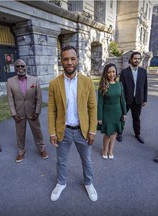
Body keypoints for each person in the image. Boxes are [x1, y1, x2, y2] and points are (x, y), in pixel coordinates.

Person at [48, 45, 98, 202]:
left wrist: (92, 130)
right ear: (61, 61)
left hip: (82, 130)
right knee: (61, 160)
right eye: (66, 59)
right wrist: (52, 132)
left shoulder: (87, 82)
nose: (69, 62)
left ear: (77, 60)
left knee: (87, 160)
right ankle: (61, 183)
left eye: (72, 58)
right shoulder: (54, 83)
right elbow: (51, 110)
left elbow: (92, 108)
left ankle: (88, 183)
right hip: (63, 130)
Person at [7, 59, 49, 163]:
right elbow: (10, 99)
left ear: (26, 67)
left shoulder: (34, 80)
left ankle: (41, 148)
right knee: (20, 133)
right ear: (15, 68)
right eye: (18, 66)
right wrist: (13, 113)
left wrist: (37, 111)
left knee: (37, 131)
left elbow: (38, 98)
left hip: (33, 112)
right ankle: (21, 151)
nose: (20, 68)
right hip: (19, 113)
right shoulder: (10, 81)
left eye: (22, 66)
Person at [97, 63, 127, 160]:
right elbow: (100, 103)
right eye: (109, 72)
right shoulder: (103, 86)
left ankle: (111, 150)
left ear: (116, 72)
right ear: (106, 73)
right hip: (107, 113)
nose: (111, 74)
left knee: (114, 133)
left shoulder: (119, 84)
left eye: (113, 72)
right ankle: (104, 150)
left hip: (117, 113)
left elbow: (122, 100)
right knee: (108, 133)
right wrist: (99, 117)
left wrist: (125, 113)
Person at [117, 51, 148, 143]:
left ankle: (137, 134)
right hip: (126, 100)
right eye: (135, 58)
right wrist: (120, 100)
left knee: (137, 118)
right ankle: (119, 132)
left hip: (138, 99)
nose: (137, 60)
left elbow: (145, 86)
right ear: (131, 59)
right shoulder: (124, 72)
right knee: (121, 117)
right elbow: (121, 87)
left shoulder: (143, 72)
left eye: (138, 59)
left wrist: (145, 99)